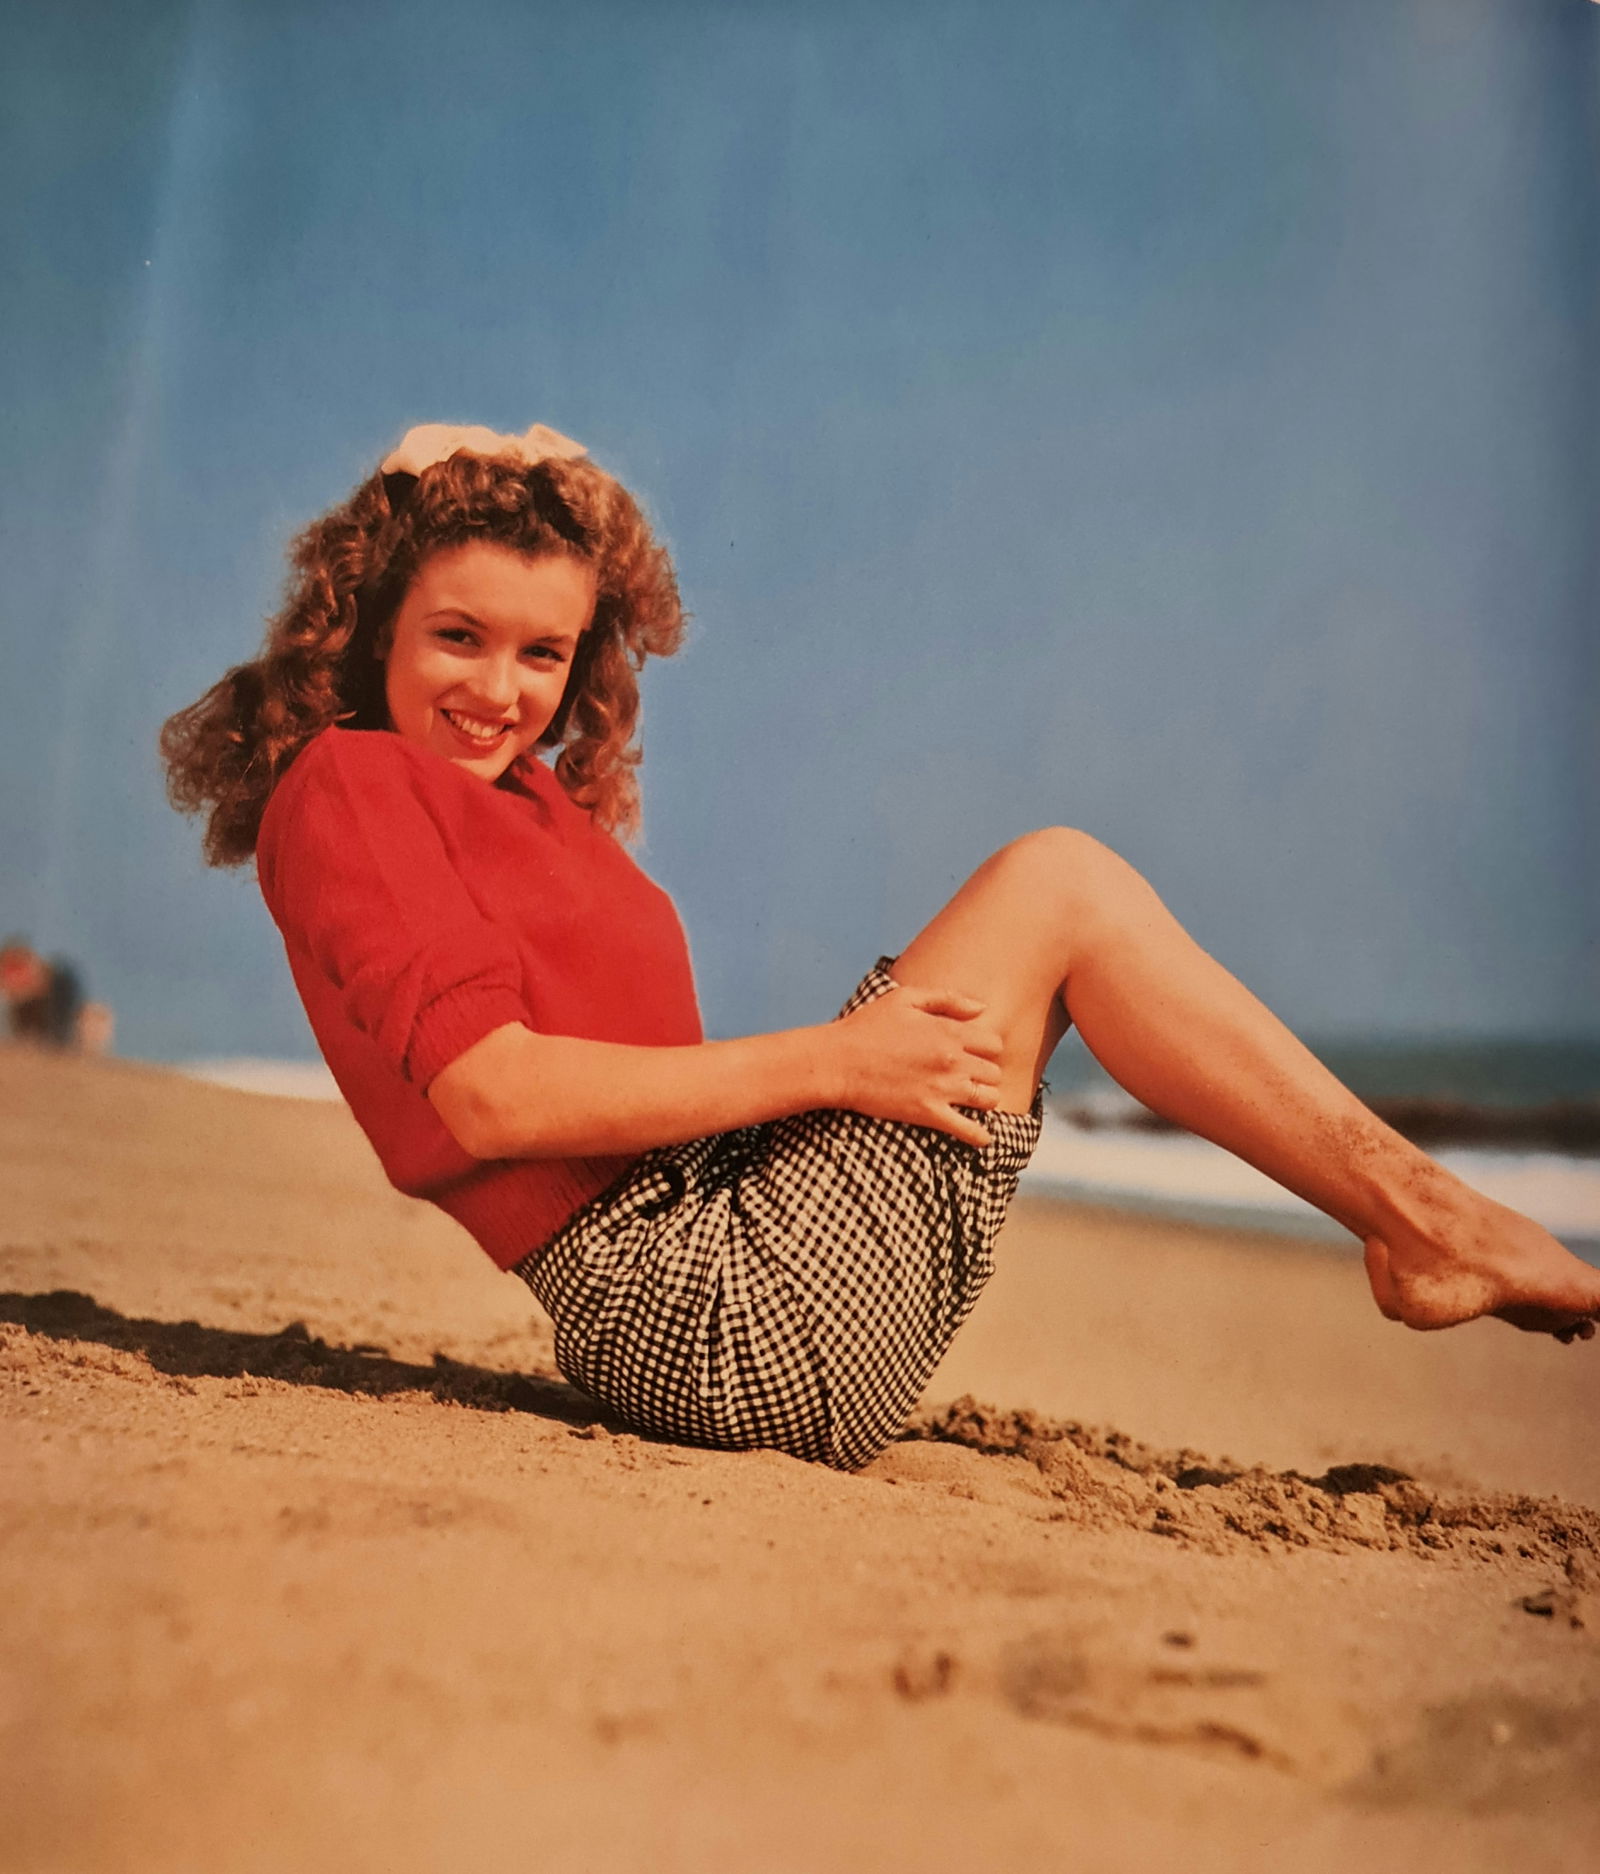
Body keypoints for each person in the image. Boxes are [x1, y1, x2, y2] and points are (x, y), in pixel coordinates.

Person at [159, 422, 1600, 1469]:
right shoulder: (350, 787)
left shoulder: (514, 803)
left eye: (544, 655)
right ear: (370, 632)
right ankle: (1423, 1215)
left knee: (1067, 894)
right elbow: (494, 1097)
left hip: (716, 1267)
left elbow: (533, 549)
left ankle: (1418, 1214)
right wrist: (837, 1061)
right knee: (1065, 883)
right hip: (697, 1309)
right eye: (457, 637)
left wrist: (499, 478)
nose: (501, 689)